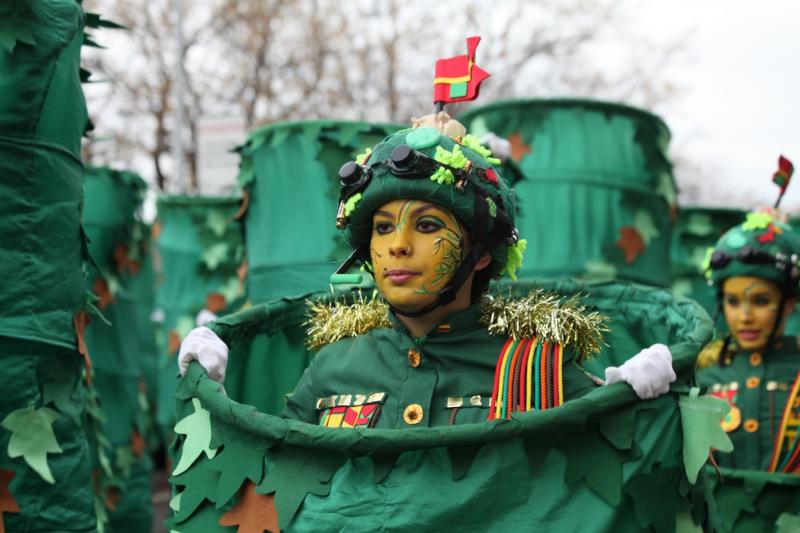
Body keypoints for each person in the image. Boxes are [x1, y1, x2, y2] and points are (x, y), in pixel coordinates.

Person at [179, 112, 677, 428]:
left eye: (427, 225)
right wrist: (212, 404)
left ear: (480, 253)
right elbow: (272, 482)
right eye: (381, 228)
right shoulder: (332, 367)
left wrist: (631, 407)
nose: (397, 246)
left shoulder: (538, 371)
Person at [697, 210, 800, 472]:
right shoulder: (702, 380)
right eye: (732, 301)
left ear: (789, 304)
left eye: (761, 301)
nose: (744, 317)